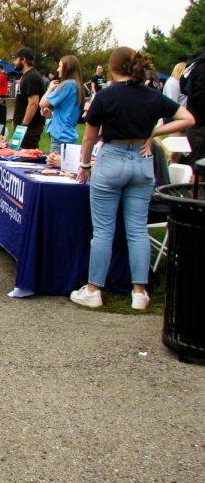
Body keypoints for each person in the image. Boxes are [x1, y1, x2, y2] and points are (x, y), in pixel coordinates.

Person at [72, 47, 194, 310]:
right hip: (141, 160)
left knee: (103, 230)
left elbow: (89, 136)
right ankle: (139, 292)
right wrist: (154, 132)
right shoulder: (152, 96)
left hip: (112, 158)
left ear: (113, 68)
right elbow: (187, 118)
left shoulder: (106, 96)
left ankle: (94, 289)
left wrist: (84, 164)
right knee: (137, 230)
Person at [40, 54, 85, 152]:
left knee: (56, 166)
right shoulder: (77, 85)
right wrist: (52, 115)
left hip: (60, 136)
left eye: (60, 66)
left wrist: (50, 88)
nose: (57, 69)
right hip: (68, 134)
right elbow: (68, 113)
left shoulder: (67, 85)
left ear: (67, 68)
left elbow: (42, 103)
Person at [11, 47, 46, 149]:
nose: (14, 62)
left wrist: (23, 126)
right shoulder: (26, 76)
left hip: (29, 129)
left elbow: (33, 103)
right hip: (23, 127)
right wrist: (15, 121)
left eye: (15, 59)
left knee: (25, 159)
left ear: (23, 59)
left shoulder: (32, 77)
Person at [181, 45, 205, 164]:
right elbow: (201, 97)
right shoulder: (202, 67)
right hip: (200, 127)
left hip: (196, 125)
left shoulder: (195, 65)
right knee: (199, 172)